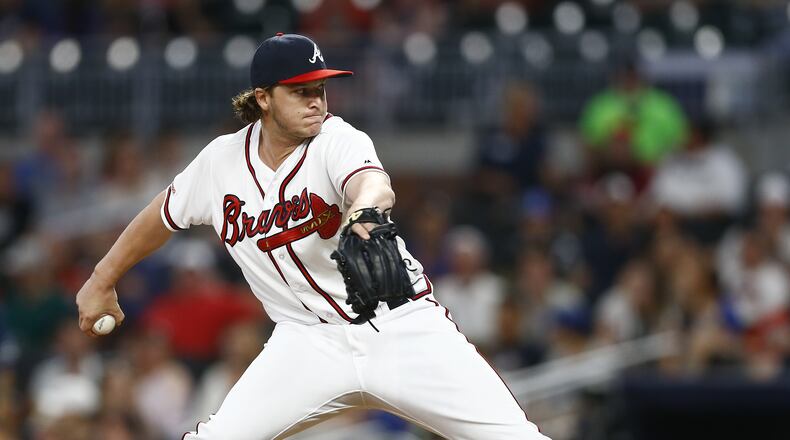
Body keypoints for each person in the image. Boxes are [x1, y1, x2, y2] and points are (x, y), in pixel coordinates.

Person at [76, 33, 548, 439]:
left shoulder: (337, 139)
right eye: (300, 91)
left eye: (320, 88)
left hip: (400, 327)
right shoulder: (220, 163)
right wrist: (103, 276)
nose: (316, 101)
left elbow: (372, 183)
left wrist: (364, 215)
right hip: (305, 343)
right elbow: (163, 213)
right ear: (263, 97)